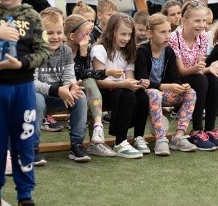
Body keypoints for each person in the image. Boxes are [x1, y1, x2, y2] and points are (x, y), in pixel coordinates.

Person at [0, 0, 50, 206]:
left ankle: (25, 194)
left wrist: (21, 63)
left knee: (24, 140)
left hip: (23, 89)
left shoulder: (32, 15)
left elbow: (44, 50)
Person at [135, 13, 197, 155]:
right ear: (150, 33)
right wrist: (167, 87)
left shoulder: (169, 51)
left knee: (191, 92)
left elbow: (173, 77)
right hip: (146, 94)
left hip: (164, 93)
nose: (168, 35)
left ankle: (178, 136)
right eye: (162, 32)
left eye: (169, 31)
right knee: (154, 93)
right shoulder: (142, 51)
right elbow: (143, 81)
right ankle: (161, 139)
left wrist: (181, 85)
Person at [34, 9, 90, 162]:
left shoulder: (65, 51)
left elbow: (69, 75)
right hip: (40, 93)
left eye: (59, 32)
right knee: (36, 100)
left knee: (80, 96)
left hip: (59, 93)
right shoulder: (35, 51)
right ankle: (32, 147)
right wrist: (58, 90)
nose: (55, 37)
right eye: (50, 33)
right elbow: (31, 83)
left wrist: (71, 86)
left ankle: (77, 145)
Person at [91, 13, 149, 159]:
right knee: (126, 95)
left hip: (119, 89)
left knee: (141, 95)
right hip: (102, 91)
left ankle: (138, 137)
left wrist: (136, 84)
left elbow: (129, 76)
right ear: (112, 32)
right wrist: (124, 84)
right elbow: (98, 81)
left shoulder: (128, 51)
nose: (126, 38)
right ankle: (120, 141)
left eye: (129, 34)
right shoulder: (99, 49)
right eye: (123, 34)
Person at [168, 0, 218, 151]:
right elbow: (180, 71)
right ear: (184, 21)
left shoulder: (204, 36)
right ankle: (196, 130)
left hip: (194, 74)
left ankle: (210, 129)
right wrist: (201, 69)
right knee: (201, 80)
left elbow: (200, 66)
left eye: (204, 21)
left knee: (213, 78)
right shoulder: (174, 38)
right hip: (175, 78)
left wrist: (208, 68)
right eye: (197, 21)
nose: (202, 25)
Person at [64, 14, 117, 157]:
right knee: (87, 83)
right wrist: (82, 55)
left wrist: (106, 72)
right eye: (85, 34)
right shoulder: (62, 49)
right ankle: (90, 138)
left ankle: (97, 130)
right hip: (63, 88)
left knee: (89, 82)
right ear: (72, 36)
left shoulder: (84, 47)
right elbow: (77, 73)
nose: (88, 38)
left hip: (80, 87)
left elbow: (86, 74)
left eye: (89, 34)